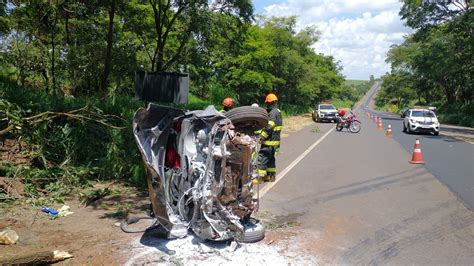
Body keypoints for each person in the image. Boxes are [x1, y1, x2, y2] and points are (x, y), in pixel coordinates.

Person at [256, 93, 282, 183]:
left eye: (268, 103)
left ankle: (260, 178)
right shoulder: (278, 112)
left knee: (262, 158)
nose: (267, 105)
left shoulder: (272, 113)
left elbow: (270, 126)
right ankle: (270, 177)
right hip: (274, 143)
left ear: (270, 103)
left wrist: (262, 137)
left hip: (269, 142)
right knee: (270, 159)